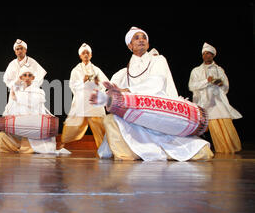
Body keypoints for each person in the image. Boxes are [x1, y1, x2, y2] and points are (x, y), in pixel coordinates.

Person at [92, 26, 213, 161]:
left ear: (148, 44)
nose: (141, 40)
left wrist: (129, 91)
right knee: (110, 120)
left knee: (201, 152)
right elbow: (112, 89)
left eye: (144, 38)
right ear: (130, 45)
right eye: (136, 38)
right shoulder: (123, 72)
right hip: (136, 118)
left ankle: (150, 151)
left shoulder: (158, 60)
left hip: (159, 115)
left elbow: (156, 83)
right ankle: (135, 152)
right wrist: (108, 95)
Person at [0, 66, 57, 154]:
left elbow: (32, 102)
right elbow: (8, 110)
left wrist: (17, 97)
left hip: (33, 130)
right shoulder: (16, 92)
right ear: (21, 78)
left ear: (33, 78)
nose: (27, 78)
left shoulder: (39, 92)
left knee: (30, 140)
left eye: (30, 75)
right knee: (1, 136)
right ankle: (18, 148)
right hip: (19, 129)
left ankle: (24, 148)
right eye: (25, 75)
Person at [188, 42, 242, 153]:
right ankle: (198, 150)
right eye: (204, 54)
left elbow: (226, 86)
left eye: (209, 54)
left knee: (223, 123)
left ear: (213, 55)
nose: (206, 56)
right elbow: (191, 86)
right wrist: (206, 82)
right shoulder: (196, 71)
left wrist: (219, 83)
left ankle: (228, 149)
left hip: (217, 101)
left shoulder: (219, 70)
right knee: (200, 128)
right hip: (202, 102)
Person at [58, 43, 109, 150]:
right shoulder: (76, 70)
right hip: (81, 101)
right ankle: (63, 144)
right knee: (72, 124)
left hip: (94, 102)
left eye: (87, 53)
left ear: (91, 55)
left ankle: (104, 148)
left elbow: (105, 84)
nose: (85, 55)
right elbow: (72, 85)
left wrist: (97, 84)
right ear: (80, 56)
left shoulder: (96, 70)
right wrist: (83, 81)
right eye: (83, 53)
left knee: (100, 126)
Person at [2, 39, 47, 116]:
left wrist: (30, 86)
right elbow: (6, 79)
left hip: (30, 94)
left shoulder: (32, 62)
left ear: (25, 50)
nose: (19, 51)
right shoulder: (12, 64)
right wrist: (15, 84)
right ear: (15, 51)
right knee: (14, 116)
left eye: (21, 48)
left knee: (31, 116)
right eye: (17, 49)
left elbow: (40, 77)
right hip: (16, 93)